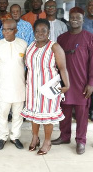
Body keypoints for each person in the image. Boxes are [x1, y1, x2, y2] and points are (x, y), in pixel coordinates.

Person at [52, 7, 93, 155]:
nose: (74, 20)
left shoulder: (90, 38)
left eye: (78, 17)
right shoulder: (62, 38)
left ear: (82, 20)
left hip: (81, 83)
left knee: (82, 114)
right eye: (72, 17)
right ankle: (65, 136)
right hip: (65, 83)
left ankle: (81, 140)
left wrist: (91, 83)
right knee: (64, 112)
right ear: (68, 19)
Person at [21, 19, 70, 155]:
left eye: (44, 31)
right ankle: (35, 137)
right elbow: (28, 68)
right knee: (34, 114)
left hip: (49, 87)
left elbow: (63, 68)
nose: (40, 33)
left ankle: (47, 141)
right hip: (32, 87)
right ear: (34, 32)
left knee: (48, 116)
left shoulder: (54, 47)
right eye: (37, 31)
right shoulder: (30, 46)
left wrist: (66, 85)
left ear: (49, 32)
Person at [0, 19, 27, 150]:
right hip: (3, 86)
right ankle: (2, 137)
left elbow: (25, 65)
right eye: (4, 29)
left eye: (9, 29)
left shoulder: (23, 44)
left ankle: (15, 137)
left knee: (18, 114)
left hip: (19, 85)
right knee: (3, 113)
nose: (6, 32)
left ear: (16, 30)